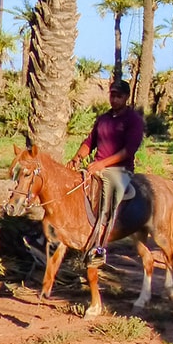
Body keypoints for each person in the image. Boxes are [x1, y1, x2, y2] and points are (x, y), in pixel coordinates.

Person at [68, 78, 145, 265]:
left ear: (126, 97)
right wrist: (77, 158)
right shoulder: (103, 119)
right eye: (112, 95)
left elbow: (129, 150)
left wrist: (102, 164)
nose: (114, 99)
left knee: (107, 202)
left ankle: (100, 248)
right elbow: (89, 142)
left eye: (118, 96)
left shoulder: (134, 121)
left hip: (120, 170)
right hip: (96, 167)